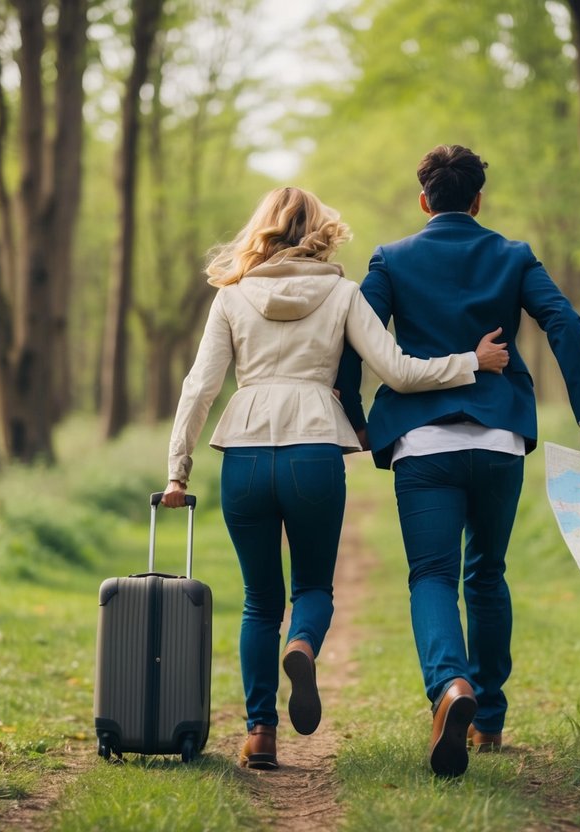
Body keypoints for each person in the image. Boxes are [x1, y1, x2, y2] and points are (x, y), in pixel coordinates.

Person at [160, 186, 510, 771]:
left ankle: (260, 734)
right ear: (318, 232)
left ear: (263, 230)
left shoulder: (232, 297)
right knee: (314, 589)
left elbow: (199, 387)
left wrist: (178, 469)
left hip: (244, 453)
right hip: (315, 452)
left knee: (257, 602)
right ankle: (304, 645)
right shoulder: (343, 293)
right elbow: (398, 372)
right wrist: (472, 361)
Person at [336, 145, 580, 778]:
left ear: (424, 199)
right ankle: (487, 718)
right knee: (486, 574)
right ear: (478, 199)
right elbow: (563, 322)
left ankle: (450, 687)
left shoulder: (392, 259)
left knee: (432, 574)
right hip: (498, 441)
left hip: (422, 443)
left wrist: (351, 410)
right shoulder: (512, 255)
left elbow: (355, 333)